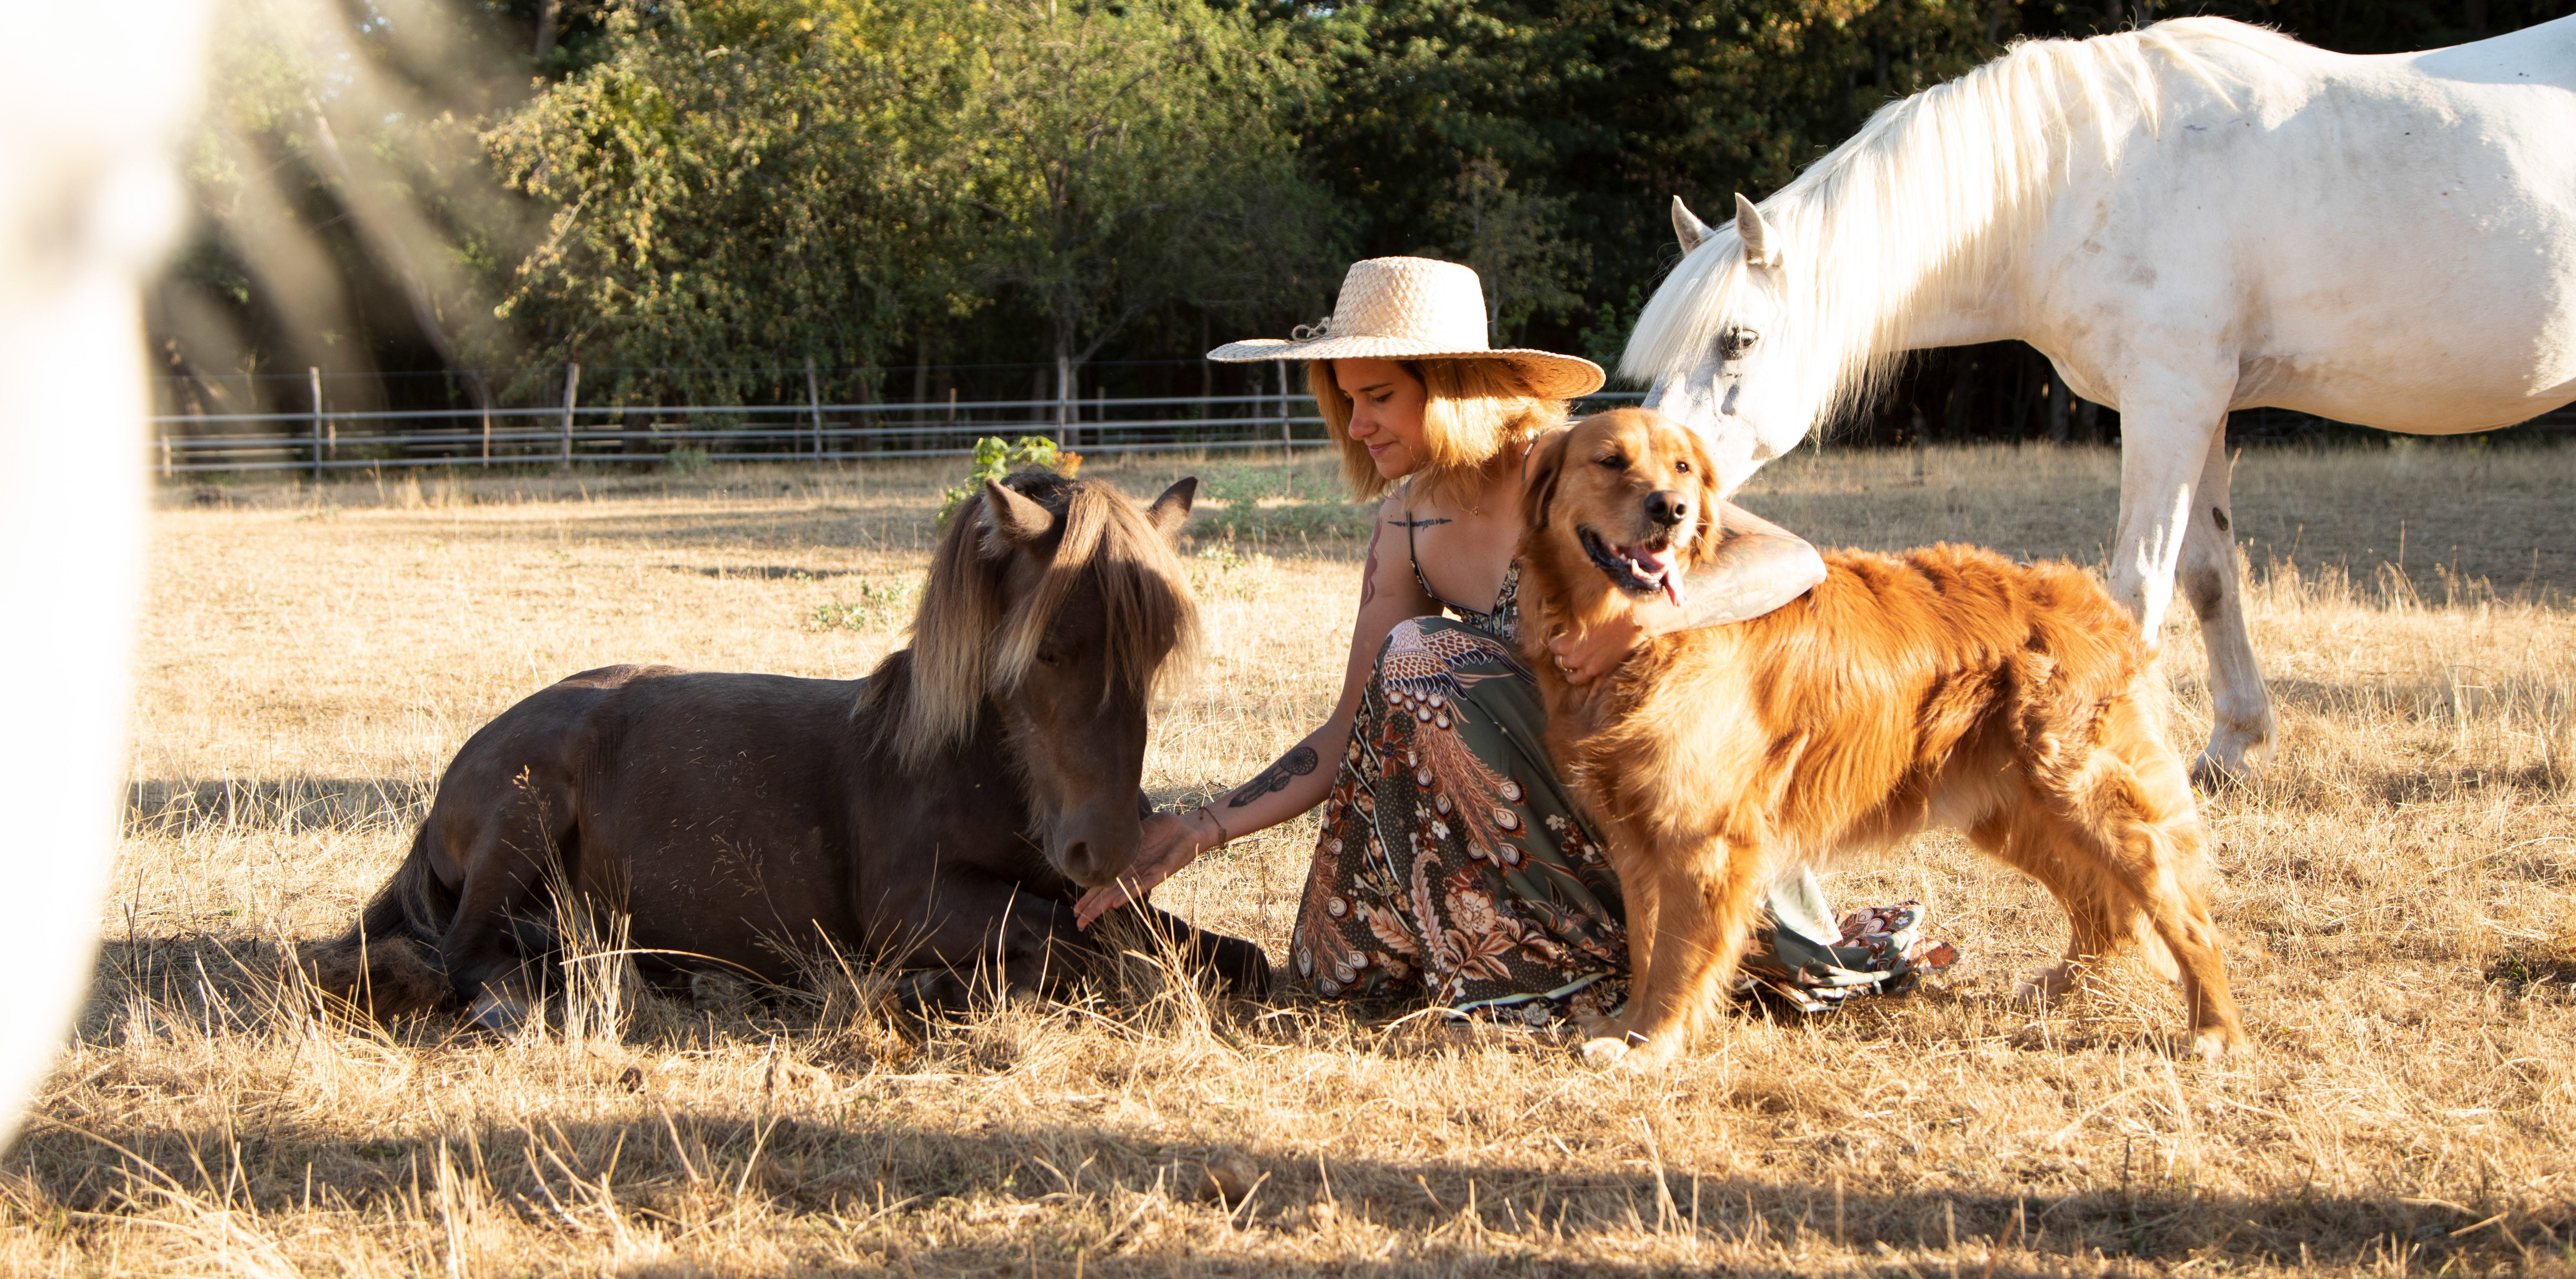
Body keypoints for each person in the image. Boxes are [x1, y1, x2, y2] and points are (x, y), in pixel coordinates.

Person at [1074, 256, 1950, 1026]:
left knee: (1425, 657)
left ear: (1449, 385)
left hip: (1667, 803)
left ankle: (1624, 958)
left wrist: (1644, 618)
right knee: (1403, 687)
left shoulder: (1579, 461)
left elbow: (1788, 560)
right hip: (1557, 805)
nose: (1358, 422)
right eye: (1345, 399)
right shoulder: (1407, 525)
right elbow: (1350, 725)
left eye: (1378, 396)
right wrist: (1204, 825)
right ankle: (1538, 951)